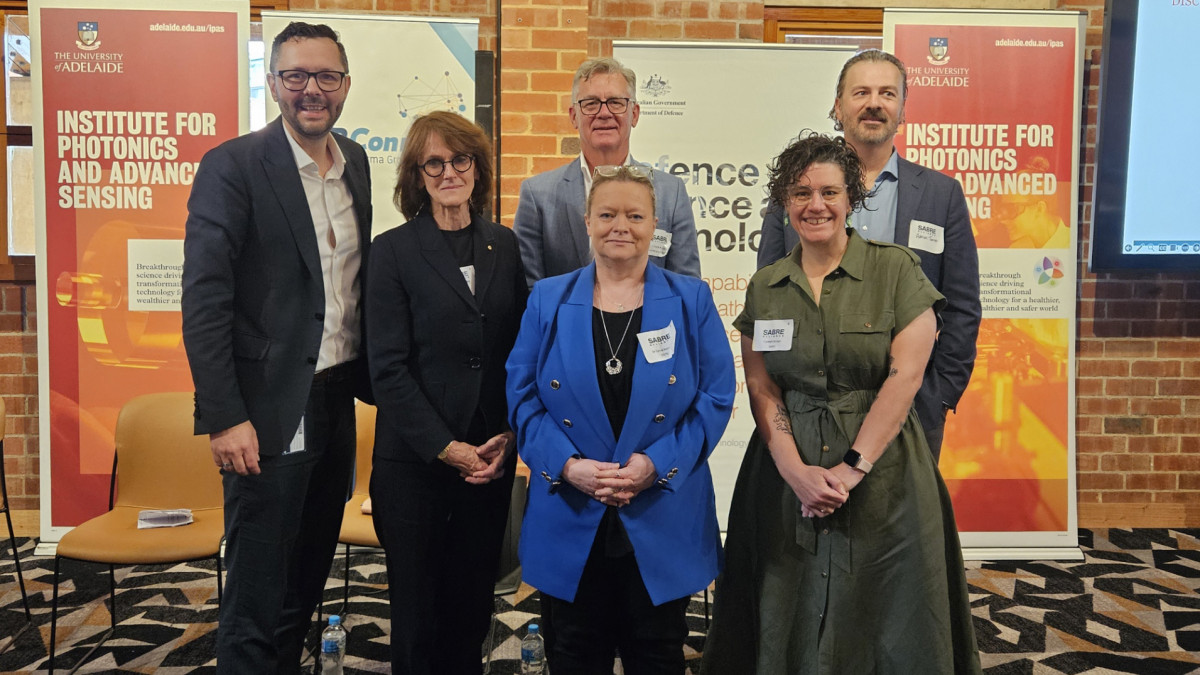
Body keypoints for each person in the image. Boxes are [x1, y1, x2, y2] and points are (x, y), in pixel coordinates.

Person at [702, 132, 981, 674]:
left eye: (829, 192)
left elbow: (905, 375)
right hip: (784, 480)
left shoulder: (896, 269)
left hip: (885, 477)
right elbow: (761, 385)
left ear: (851, 197)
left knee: (886, 609)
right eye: (801, 192)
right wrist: (796, 472)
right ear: (785, 202)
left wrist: (852, 468)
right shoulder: (766, 286)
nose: (816, 205)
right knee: (786, 599)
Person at [182, 22, 372, 674]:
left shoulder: (356, 162)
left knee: (307, 577)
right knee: (258, 591)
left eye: (326, 76)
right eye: (296, 75)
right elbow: (205, 301)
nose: (311, 89)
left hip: (335, 401)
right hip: (265, 413)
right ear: (272, 83)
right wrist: (225, 415)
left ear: (345, 84)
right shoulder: (233, 166)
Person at [507, 165, 734, 672]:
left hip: (660, 508)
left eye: (635, 216)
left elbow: (715, 397)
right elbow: (522, 399)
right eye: (607, 214)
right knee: (573, 652)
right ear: (587, 221)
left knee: (657, 653)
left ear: (655, 226)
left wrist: (656, 463)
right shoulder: (548, 298)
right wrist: (568, 466)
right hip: (571, 507)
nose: (621, 227)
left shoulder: (691, 299)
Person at [756, 49, 981, 461]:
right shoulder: (797, 190)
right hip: (810, 413)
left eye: (887, 93)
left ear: (903, 109)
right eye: (861, 92)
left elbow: (962, 307)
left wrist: (938, 395)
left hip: (912, 411)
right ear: (837, 107)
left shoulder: (941, 194)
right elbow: (771, 294)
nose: (874, 103)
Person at [366, 111, 527, 674]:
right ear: (417, 175)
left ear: (478, 169)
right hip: (414, 463)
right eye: (433, 163)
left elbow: (516, 353)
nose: (449, 172)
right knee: (418, 612)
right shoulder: (391, 251)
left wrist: (508, 434)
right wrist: (446, 447)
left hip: (488, 456)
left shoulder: (504, 245)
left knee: (472, 604)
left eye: (460, 159)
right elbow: (387, 369)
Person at [514, 57, 701, 287]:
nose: (604, 113)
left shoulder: (671, 193)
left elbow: (686, 288)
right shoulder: (537, 196)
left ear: (634, 114)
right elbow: (528, 290)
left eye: (616, 102)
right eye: (591, 103)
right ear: (573, 116)